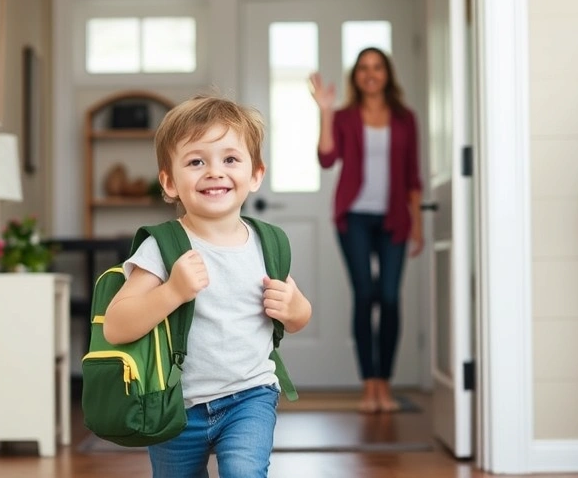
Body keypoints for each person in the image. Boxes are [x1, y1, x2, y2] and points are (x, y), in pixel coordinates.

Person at [103, 94, 313, 477]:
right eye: (196, 161)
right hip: (175, 405)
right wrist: (172, 292)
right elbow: (116, 326)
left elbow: (298, 318)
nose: (214, 172)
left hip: (251, 396)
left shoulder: (268, 243)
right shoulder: (162, 247)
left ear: (255, 174)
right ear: (169, 181)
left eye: (230, 159)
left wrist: (294, 306)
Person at [309, 47, 424, 414]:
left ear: (387, 73)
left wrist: (418, 225)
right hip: (354, 218)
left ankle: (385, 384)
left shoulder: (405, 118)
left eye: (377, 67)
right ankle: (368, 386)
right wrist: (325, 112)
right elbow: (327, 158)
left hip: (394, 219)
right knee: (364, 295)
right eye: (363, 68)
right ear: (356, 76)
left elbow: (412, 177)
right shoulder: (344, 116)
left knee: (389, 297)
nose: (370, 74)